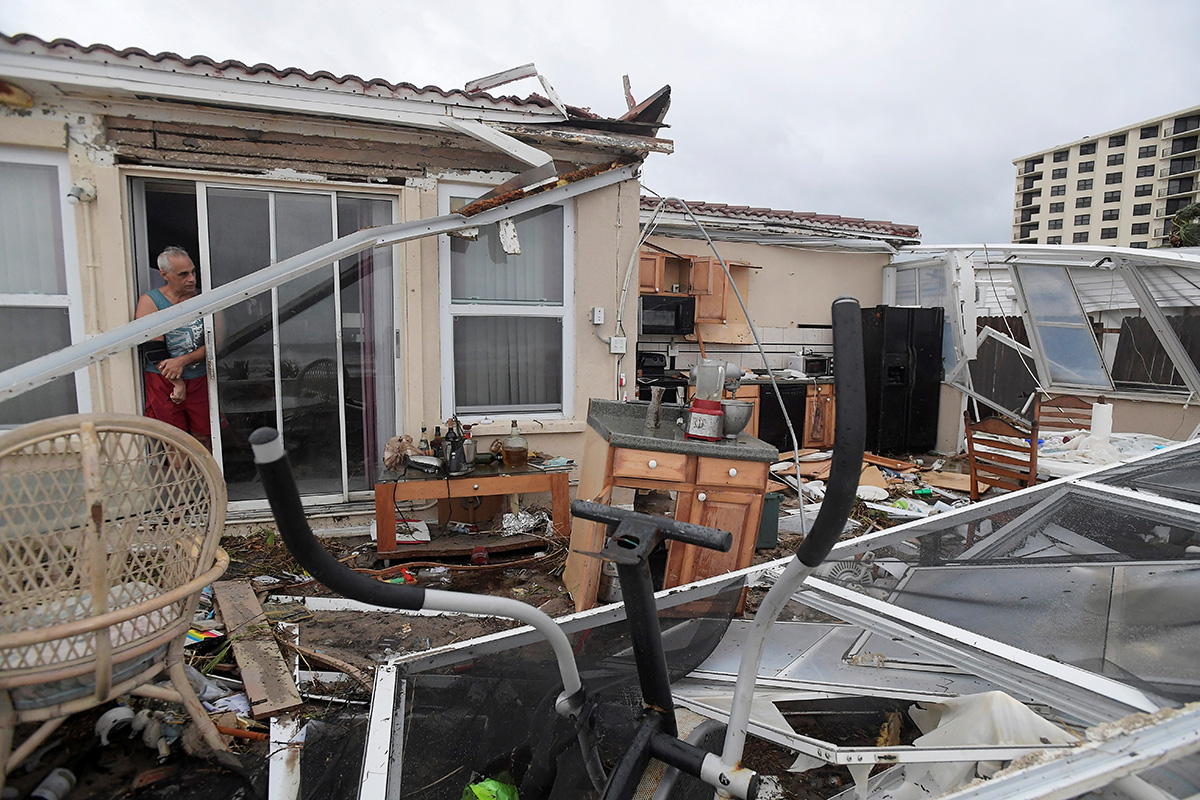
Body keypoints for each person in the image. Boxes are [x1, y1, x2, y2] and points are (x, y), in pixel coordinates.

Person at [136, 246, 212, 450]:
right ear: (164, 275)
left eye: (193, 272)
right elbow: (153, 348)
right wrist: (177, 382)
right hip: (162, 380)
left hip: (199, 377)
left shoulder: (204, 299)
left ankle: (208, 481)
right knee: (174, 442)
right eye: (183, 274)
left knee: (204, 436)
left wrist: (183, 361)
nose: (192, 279)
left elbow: (216, 343)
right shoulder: (150, 301)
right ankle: (182, 483)